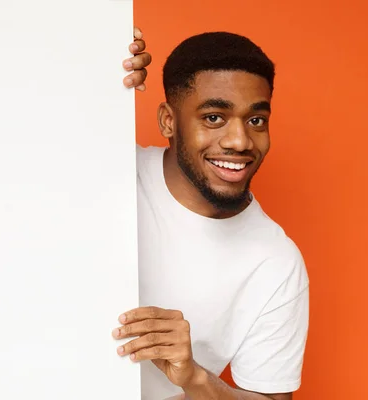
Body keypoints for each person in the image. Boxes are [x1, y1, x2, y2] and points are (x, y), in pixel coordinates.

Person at [120, 28, 309, 400]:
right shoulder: (106, 173)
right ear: (168, 121)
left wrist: (195, 378)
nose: (240, 141)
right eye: (213, 117)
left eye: (256, 120)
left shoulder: (276, 262)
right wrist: (89, 60)